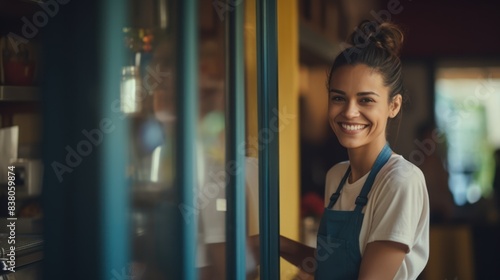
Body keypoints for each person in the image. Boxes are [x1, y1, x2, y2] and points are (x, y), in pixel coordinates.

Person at [278, 21, 430, 279]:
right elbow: (330, 266)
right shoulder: (336, 177)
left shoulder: (400, 181)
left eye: (366, 100)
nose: (349, 111)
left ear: (394, 106)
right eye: (338, 98)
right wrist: (268, 243)